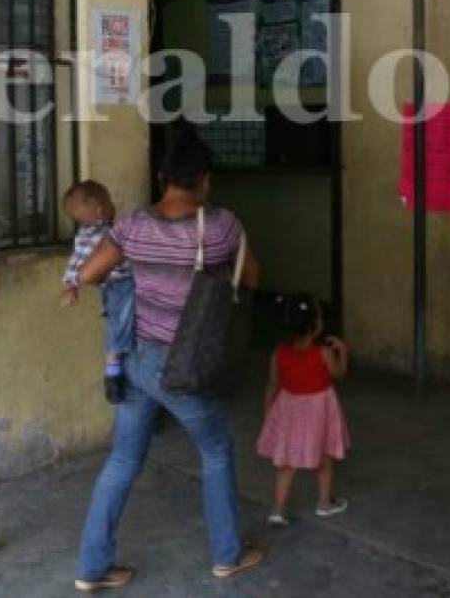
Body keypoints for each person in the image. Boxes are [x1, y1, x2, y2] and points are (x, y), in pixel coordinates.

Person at [72, 125, 264, 592]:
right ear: (206, 180)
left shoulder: (133, 225)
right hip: (186, 367)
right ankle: (227, 555)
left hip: (137, 359)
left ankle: (93, 568)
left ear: (162, 177)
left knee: (122, 459)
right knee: (216, 451)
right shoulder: (222, 227)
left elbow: (92, 274)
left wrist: (142, 272)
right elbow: (253, 279)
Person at [256, 296, 351, 526]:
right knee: (325, 458)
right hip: (319, 410)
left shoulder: (279, 353)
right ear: (316, 326)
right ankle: (324, 503)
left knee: (286, 464)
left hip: (289, 409)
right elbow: (338, 374)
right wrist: (343, 352)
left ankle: (278, 510)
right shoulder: (323, 353)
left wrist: (268, 412)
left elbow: (273, 384)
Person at [60, 181, 135, 404]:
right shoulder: (111, 232)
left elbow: (75, 263)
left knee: (117, 321)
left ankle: (115, 366)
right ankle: (113, 371)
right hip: (122, 282)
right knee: (120, 324)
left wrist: (70, 286)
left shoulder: (84, 234)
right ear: (102, 209)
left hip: (110, 285)